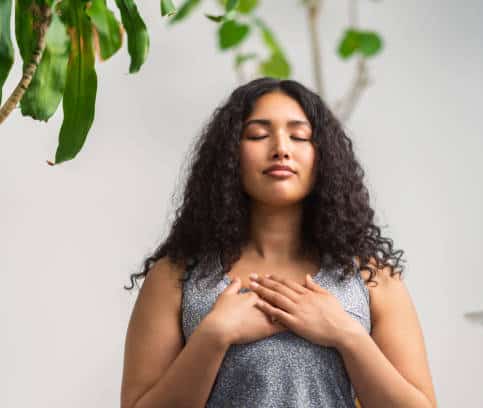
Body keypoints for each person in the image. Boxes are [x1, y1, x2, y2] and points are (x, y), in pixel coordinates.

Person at [120, 77, 437, 408]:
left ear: (323, 156)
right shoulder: (175, 277)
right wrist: (213, 336)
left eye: (299, 136)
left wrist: (346, 334)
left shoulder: (372, 278)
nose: (281, 149)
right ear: (229, 154)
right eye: (258, 135)